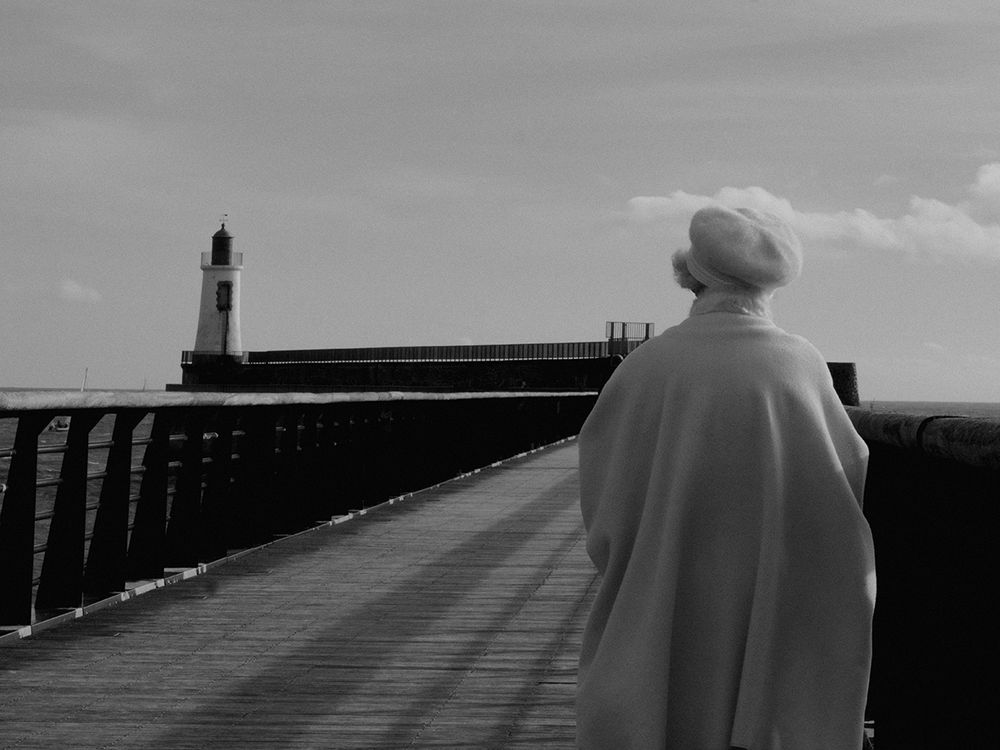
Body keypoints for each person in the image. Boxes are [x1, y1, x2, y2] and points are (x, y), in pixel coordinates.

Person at [576, 206, 876, 749]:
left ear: (692, 278)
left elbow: (604, 498)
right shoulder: (801, 365)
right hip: (776, 597)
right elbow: (842, 485)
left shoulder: (646, 365)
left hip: (666, 595)